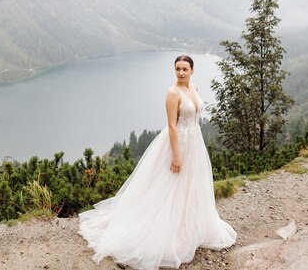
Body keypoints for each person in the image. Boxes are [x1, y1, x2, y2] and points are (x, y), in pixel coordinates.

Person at [78, 55, 237, 270]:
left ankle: (188, 227)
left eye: (184, 69)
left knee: (190, 185)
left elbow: (195, 114)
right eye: (177, 69)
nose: (181, 73)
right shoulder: (172, 93)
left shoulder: (195, 87)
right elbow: (172, 126)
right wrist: (176, 155)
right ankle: (167, 230)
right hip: (178, 142)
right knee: (170, 185)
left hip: (195, 143)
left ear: (192, 70)